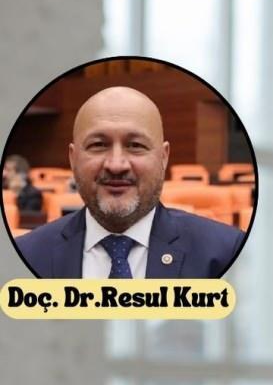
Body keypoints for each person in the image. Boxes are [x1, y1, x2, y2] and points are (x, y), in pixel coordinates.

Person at [15, 86, 244, 279]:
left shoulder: (227, 253)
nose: (116, 165)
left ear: (163, 157)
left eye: (135, 145)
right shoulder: (27, 254)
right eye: (98, 145)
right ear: (73, 159)